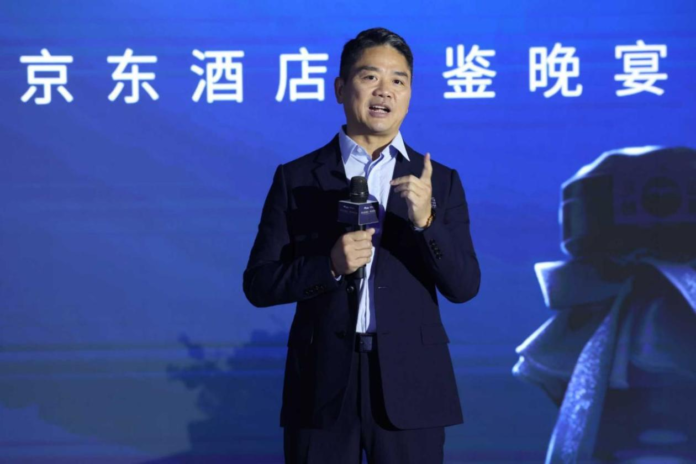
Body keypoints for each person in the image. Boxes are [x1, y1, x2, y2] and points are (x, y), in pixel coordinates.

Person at [243, 27, 481, 463]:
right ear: (340, 88)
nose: (384, 91)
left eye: (398, 80)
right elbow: (259, 283)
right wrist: (329, 265)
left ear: (409, 95)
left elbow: (464, 287)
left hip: (412, 384)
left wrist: (426, 222)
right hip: (321, 385)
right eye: (370, 77)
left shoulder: (439, 182)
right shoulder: (296, 178)